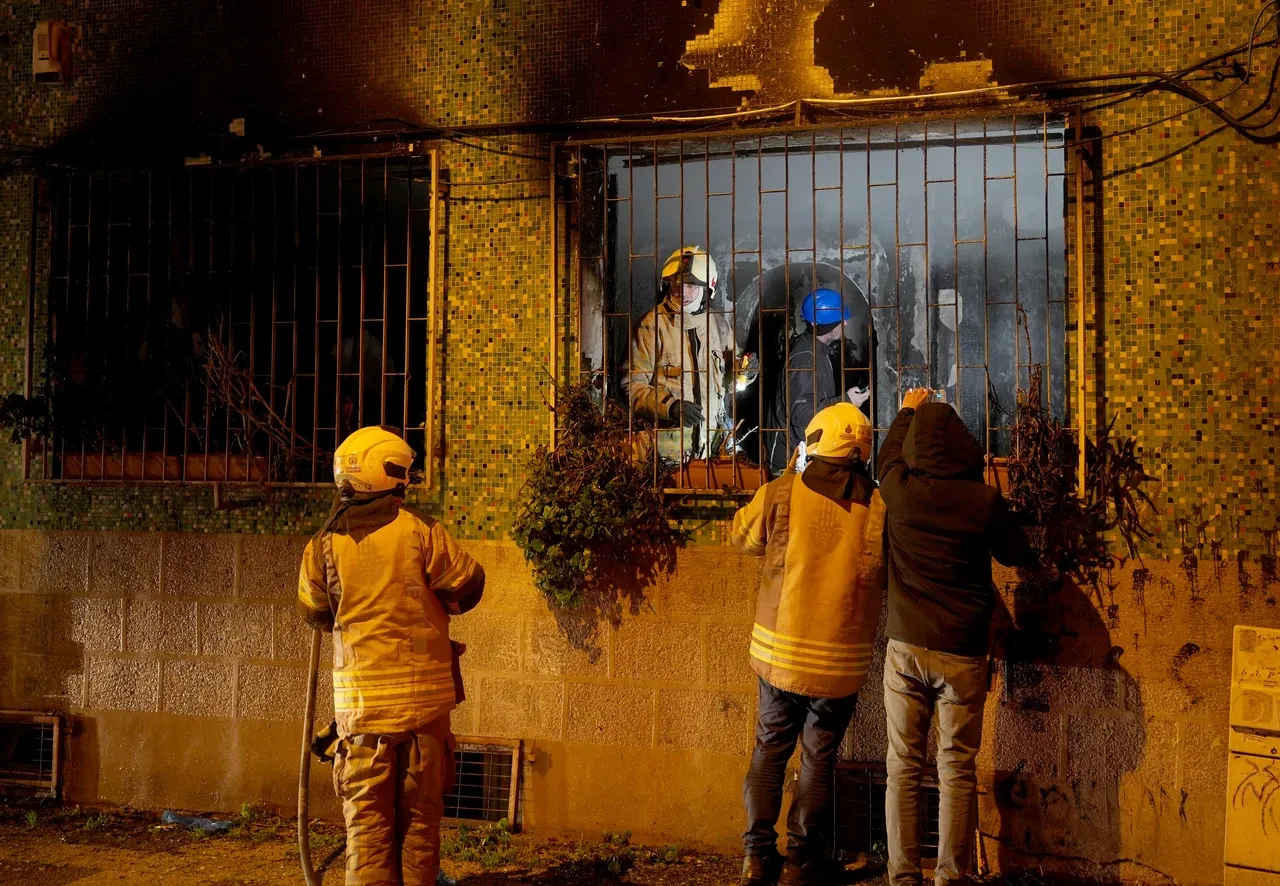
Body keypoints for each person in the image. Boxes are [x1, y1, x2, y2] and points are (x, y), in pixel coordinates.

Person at [297, 426, 485, 886]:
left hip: (360, 720)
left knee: (367, 833)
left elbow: (315, 612)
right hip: (423, 716)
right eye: (402, 475)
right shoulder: (420, 533)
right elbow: (468, 586)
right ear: (389, 475)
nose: (405, 484)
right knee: (419, 829)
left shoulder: (321, 547)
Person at [877, 390, 1038, 886]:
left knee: (903, 765)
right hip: (963, 651)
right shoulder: (983, 501)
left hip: (906, 646)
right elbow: (1016, 554)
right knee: (956, 768)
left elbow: (885, 459)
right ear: (965, 445)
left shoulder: (900, 490)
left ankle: (904, 876)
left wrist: (907, 410)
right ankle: (952, 875)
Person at [729, 402, 887, 886]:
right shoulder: (879, 507)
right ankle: (801, 860)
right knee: (819, 757)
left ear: (814, 443)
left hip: (781, 653)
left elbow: (743, 538)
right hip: (840, 662)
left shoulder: (782, 492)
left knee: (770, 749)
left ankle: (758, 857)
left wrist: (785, 475)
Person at [624, 245, 756, 463]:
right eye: (676, 283)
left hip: (713, 448)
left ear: (707, 287)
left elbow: (730, 385)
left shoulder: (718, 325)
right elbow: (631, 386)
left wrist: (747, 372)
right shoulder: (651, 326)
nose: (682, 291)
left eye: (692, 285)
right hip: (666, 457)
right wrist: (670, 406)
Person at [767, 287, 870, 474]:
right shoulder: (804, 358)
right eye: (840, 320)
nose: (845, 323)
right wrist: (845, 401)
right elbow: (799, 413)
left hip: (804, 454)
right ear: (827, 325)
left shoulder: (818, 350)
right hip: (791, 463)